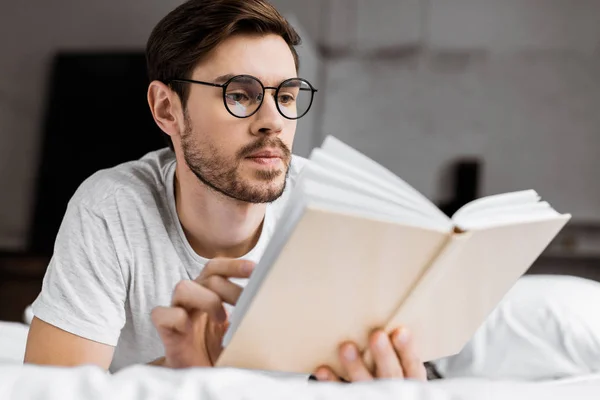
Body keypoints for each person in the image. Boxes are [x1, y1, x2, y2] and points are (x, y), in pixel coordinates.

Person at [24, 0, 427, 382]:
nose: (272, 121)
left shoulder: (339, 211)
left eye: (285, 96)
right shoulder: (112, 208)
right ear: (167, 109)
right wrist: (180, 371)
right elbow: (52, 391)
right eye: (239, 94)